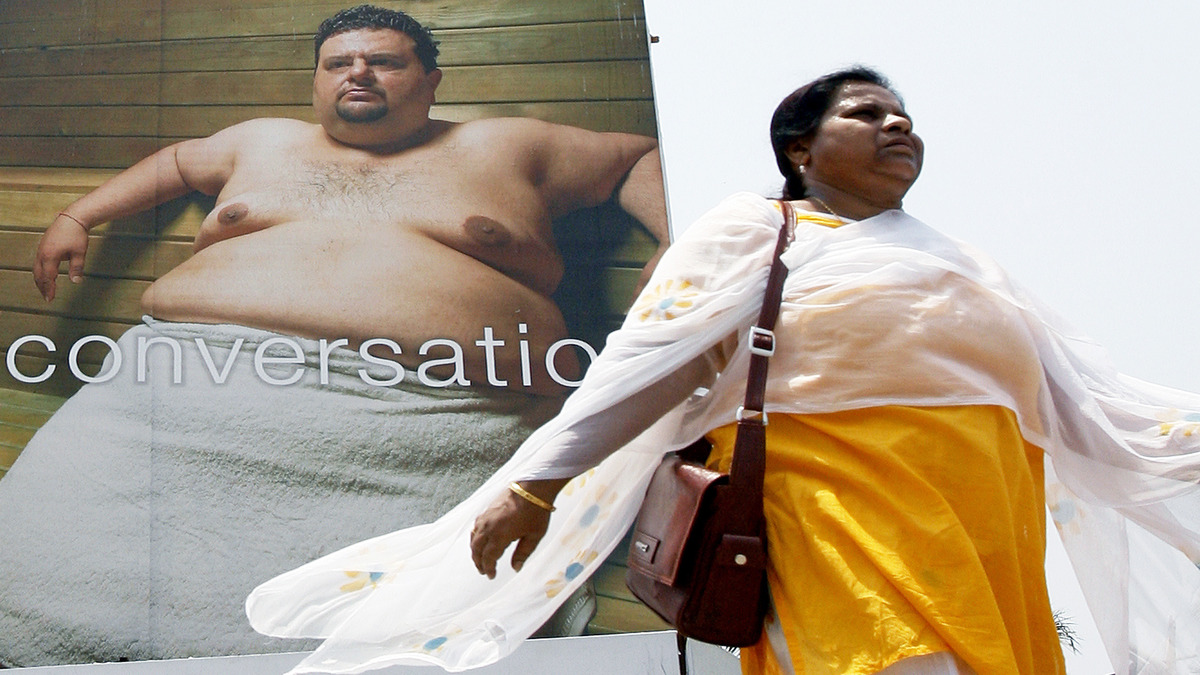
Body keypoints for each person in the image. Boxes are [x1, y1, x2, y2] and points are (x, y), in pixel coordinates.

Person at [246, 67, 1200, 674]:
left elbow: (1093, 404)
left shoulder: (967, 260)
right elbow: (646, 363)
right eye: (869, 113)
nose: (899, 125)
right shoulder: (764, 227)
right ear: (802, 148)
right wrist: (535, 482)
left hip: (984, 519)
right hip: (829, 502)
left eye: (907, 116)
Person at [0, 4, 665, 667]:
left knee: (372, 635)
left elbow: (637, 157)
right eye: (339, 63)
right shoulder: (259, 140)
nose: (360, 73)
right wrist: (76, 215)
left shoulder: (512, 145)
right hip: (171, 394)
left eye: (384, 61)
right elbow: (177, 161)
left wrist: (675, 234)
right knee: (34, 562)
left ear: (431, 80)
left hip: (423, 415)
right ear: (317, 81)